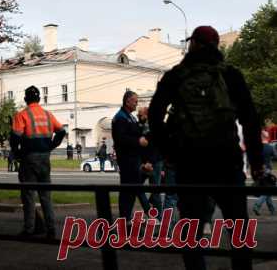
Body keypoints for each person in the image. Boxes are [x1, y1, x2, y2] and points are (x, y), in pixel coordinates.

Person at [148, 26, 264, 270]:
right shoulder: (231, 75)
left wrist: (170, 152)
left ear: (194, 44)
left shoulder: (176, 75)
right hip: (227, 162)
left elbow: (155, 117)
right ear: (216, 45)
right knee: (238, 234)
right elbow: (251, 121)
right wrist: (256, 165)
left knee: (190, 234)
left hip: (190, 164)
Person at [10, 85, 66, 238]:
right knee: (45, 195)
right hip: (44, 158)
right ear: (39, 99)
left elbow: (15, 136)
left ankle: (29, 229)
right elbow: (61, 131)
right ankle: (51, 229)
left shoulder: (22, 115)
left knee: (28, 195)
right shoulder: (48, 115)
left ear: (25, 99)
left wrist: (16, 152)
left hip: (29, 159)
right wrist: (51, 145)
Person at [112, 90, 151, 220]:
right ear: (127, 101)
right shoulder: (120, 118)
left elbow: (135, 132)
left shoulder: (130, 116)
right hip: (127, 160)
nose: (136, 103)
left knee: (132, 190)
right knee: (128, 191)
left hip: (134, 159)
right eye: (135, 101)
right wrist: (138, 141)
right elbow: (120, 138)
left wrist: (141, 121)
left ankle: (127, 217)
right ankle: (125, 219)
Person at [253, 130, 276, 216]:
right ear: (267, 137)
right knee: (269, 189)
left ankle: (272, 210)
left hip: (258, 170)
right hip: (267, 170)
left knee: (266, 189)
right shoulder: (270, 147)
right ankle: (257, 205)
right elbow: (275, 156)